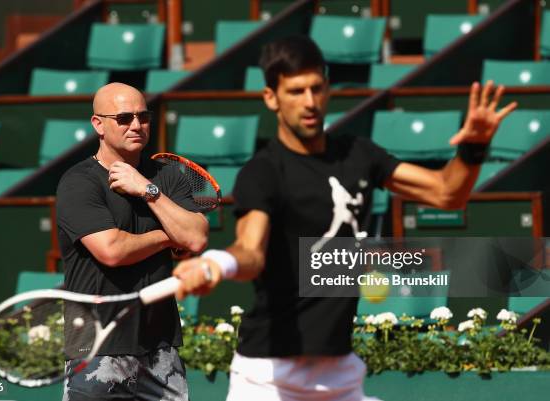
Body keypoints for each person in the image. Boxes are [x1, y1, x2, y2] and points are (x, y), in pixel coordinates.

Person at [172, 36, 517, 401]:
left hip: (340, 376)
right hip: (268, 380)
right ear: (271, 98)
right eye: (296, 91)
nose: (309, 102)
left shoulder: (359, 155)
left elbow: (448, 193)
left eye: (316, 88)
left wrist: (474, 148)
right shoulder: (263, 172)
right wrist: (217, 264)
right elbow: (251, 251)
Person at [56, 82, 209, 401]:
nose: (136, 125)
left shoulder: (168, 177)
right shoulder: (78, 182)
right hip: (98, 347)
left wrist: (147, 190)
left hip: (160, 347)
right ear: (98, 124)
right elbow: (112, 250)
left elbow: (195, 237)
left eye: (143, 116)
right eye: (124, 118)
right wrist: (169, 236)